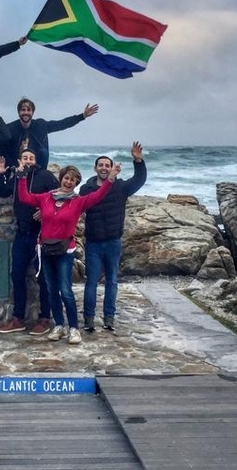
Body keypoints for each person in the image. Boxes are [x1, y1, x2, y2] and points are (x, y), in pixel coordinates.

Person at [16, 162, 119, 345]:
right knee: (51, 290)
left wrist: (110, 179)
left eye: (73, 180)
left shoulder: (78, 201)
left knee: (65, 290)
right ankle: (59, 326)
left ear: (76, 183)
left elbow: (98, 195)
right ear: (61, 179)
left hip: (65, 251)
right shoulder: (46, 198)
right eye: (66, 178)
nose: (69, 182)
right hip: (46, 250)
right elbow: (24, 197)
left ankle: (73, 328)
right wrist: (22, 176)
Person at [80, 142, 147, 332]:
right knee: (91, 282)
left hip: (113, 242)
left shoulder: (121, 187)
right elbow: (76, 207)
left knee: (112, 282)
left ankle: (109, 317)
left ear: (111, 169)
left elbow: (140, 179)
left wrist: (138, 160)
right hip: (93, 243)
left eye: (107, 165)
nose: (103, 168)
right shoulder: (86, 189)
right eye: (100, 165)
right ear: (95, 168)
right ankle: (89, 318)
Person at [0, 150, 58, 336]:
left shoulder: (45, 175)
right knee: (17, 275)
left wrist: (45, 210)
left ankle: (45, 318)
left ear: (35, 161)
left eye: (31, 158)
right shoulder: (16, 176)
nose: (28, 160)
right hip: (22, 234)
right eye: (25, 158)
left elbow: (60, 195)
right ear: (19, 160)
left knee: (43, 278)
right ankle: (18, 319)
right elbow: (3, 191)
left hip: (41, 235)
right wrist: (0, 175)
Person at [0, 97, 99, 167]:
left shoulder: (40, 125)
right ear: (18, 112)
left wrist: (82, 116)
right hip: (16, 164)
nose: (26, 113)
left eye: (28, 110)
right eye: (23, 110)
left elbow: (62, 124)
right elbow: (0, 139)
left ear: (32, 112)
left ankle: (40, 175)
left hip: (37, 164)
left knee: (43, 151)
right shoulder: (10, 127)